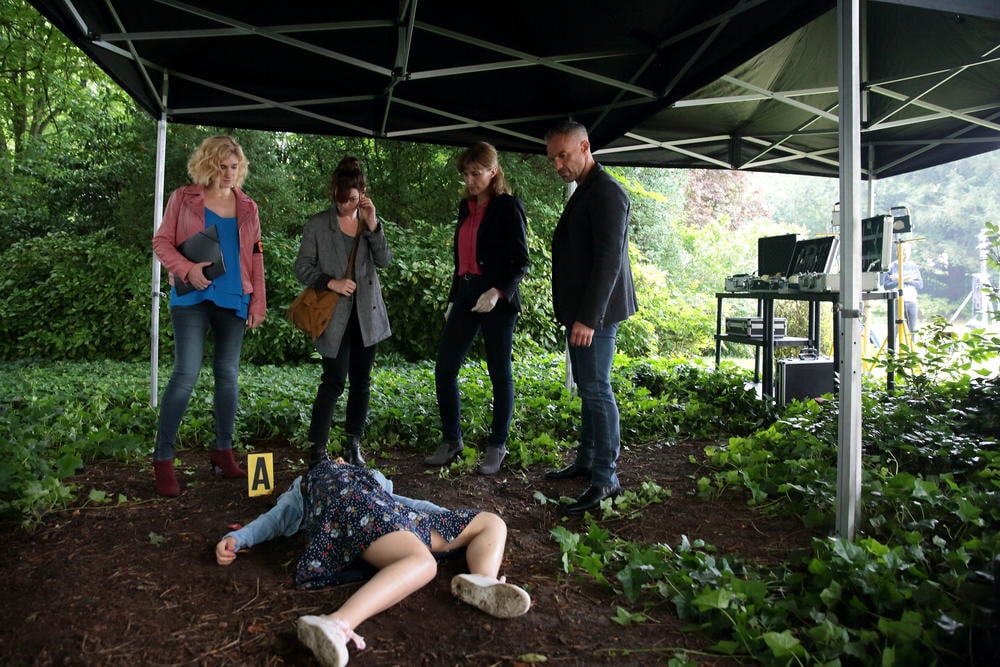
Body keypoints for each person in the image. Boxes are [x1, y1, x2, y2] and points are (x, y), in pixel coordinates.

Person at [215, 458, 531, 667]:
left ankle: (483, 580)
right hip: (355, 519)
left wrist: (446, 516)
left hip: (397, 518)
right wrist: (240, 538)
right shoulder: (304, 485)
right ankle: (337, 623)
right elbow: (273, 520)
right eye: (332, 459)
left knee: (491, 522)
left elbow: (406, 503)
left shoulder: (371, 477)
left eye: (341, 458)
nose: (338, 459)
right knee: (422, 563)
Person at [151, 135, 267, 498]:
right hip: (192, 297)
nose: (230, 173)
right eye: (222, 166)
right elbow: (161, 242)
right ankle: (163, 458)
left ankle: (222, 450)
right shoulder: (183, 197)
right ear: (208, 164)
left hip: (234, 298)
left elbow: (256, 255)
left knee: (228, 376)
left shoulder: (249, 206)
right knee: (186, 372)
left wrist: (258, 301)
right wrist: (187, 270)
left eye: (235, 167)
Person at [543, 120, 637, 514]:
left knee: (597, 388)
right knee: (586, 384)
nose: (558, 165)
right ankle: (586, 460)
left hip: (593, 314)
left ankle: (606, 478)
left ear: (585, 147)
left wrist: (589, 318)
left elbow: (608, 262)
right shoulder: (587, 189)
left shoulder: (607, 192)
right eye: (553, 159)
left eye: (564, 155)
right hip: (581, 312)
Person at [424, 142, 530, 475]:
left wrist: (498, 291)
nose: (471, 180)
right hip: (467, 291)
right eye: (467, 174)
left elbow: (521, 262)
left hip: (496, 296)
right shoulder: (465, 207)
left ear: (493, 171)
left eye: (477, 173)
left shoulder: (508, 207)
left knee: (499, 371)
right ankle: (452, 440)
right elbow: (461, 259)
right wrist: (455, 296)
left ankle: (497, 444)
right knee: (445, 368)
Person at [294, 157, 392, 469]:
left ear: (362, 193)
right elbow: (302, 268)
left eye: (350, 199)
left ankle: (353, 444)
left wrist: (373, 222)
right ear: (333, 190)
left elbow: (385, 260)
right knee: (333, 380)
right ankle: (317, 449)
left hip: (367, 315)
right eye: (339, 197)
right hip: (333, 316)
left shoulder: (368, 223)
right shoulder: (317, 225)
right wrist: (331, 282)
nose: (344, 205)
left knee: (361, 381)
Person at [882, 242, 923, 335]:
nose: (905, 253)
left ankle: (911, 348)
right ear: (897, 252)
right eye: (902, 250)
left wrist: (902, 279)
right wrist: (902, 280)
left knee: (912, 329)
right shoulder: (892, 266)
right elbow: (886, 285)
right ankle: (893, 348)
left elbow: (920, 284)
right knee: (894, 328)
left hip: (911, 301)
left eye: (906, 250)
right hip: (896, 301)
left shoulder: (913, 266)